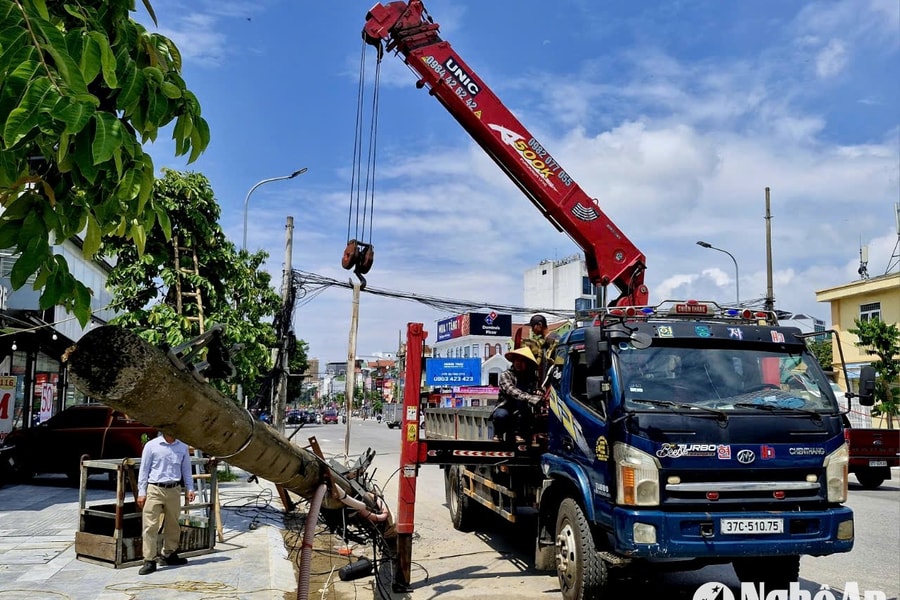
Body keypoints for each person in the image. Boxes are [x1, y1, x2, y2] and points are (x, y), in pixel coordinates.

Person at [136, 431, 196, 575]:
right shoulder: (152, 446)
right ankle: (149, 559)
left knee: (173, 523)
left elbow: (186, 469)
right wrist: (141, 492)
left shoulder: (182, 447)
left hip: (174, 488)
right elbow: (144, 470)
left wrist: (190, 488)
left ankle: (169, 553)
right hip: (155, 488)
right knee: (150, 524)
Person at [491, 346, 544, 444]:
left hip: (523, 409)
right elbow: (512, 391)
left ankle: (520, 434)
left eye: (523, 361)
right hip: (506, 406)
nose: (519, 363)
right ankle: (498, 434)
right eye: (517, 360)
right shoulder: (506, 375)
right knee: (500, 415)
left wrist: (539, 392)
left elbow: (539, 390)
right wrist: (530, 398)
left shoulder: (532, 378)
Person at [522, 314, 559, 383]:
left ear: (540, 325)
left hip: (553, 381)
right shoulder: (541, 342)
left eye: (533, 326)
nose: (532, 330)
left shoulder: (554, 339)